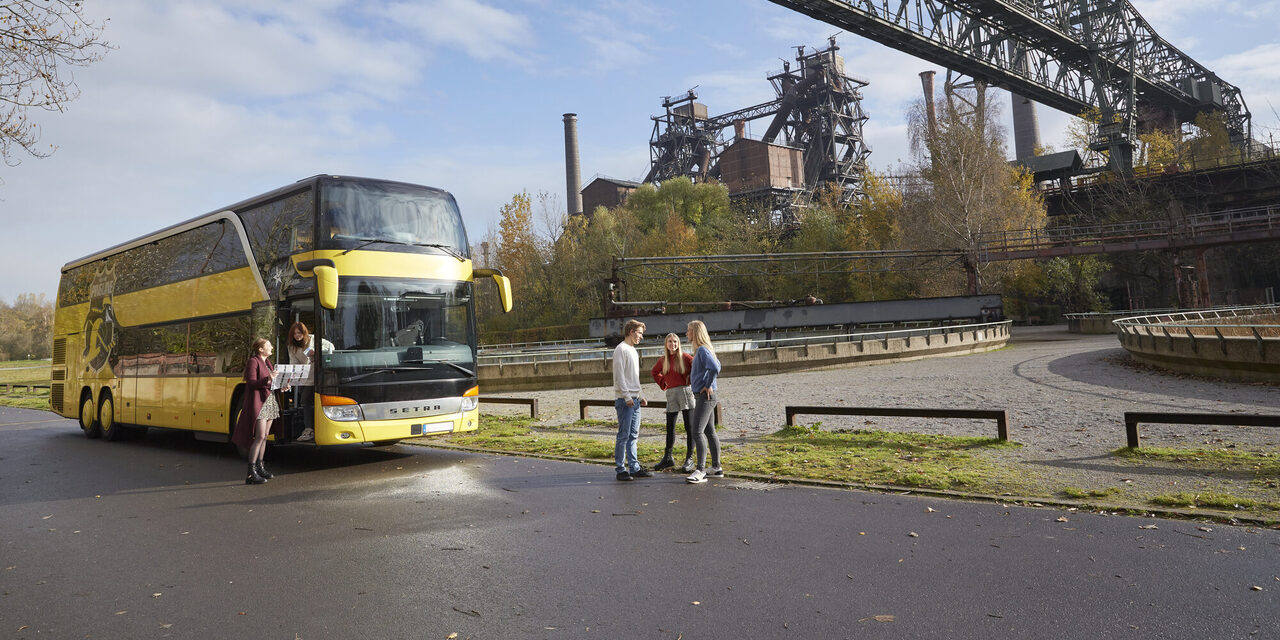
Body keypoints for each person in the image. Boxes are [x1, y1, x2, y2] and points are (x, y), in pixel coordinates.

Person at [232, 338, 287, 484]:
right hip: (259, 403)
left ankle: (260, 467)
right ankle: (251, 473)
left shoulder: (268, 363)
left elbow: (270, 384)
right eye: (268, 346)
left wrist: (281, 387)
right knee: (260, 436)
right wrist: (268, 379)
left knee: (265, 436)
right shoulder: (253, 361)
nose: (272, 347)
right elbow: (251, 383)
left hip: (270, 402)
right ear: (261, 349)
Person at [612, 319, 653, 482]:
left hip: (635, 400)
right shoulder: (620, 349)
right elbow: (619, 376)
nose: (641, 337)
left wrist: (641, 395)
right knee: (623, 435)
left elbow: (634, 378)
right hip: (625, 400)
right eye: (640, 333)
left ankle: (634, 467)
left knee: (633, 435)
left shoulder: (633, 350)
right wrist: (627, 397)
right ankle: (621, 469)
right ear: (631, 332)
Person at [684, 320, 723, 484]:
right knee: (709, 431)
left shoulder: (701, 350)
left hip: (705, 397)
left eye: (689, 330)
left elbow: (715, 367)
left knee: (697, 432)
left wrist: (707, 384)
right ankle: (716, 467)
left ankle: (700, 470)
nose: (686, 333)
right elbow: (717, 365)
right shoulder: (705, 349)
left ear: (696, 332)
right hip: (706, 396)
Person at [650, 332, 695, 472]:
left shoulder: (686, 357)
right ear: (666, 344)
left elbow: (697, 368)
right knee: (670, 427)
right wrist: (664, 383)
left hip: (685, 392)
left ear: (678, 343)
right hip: (671, 394)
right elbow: (654, 372)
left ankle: (690, 458)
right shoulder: (663, 360)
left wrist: (692, 381)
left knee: (689, 427)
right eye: (670, 341)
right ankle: (668, 458)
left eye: (675, 341)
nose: (672, 344)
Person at [287, 321, 333, 442]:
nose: (297, 335)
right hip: (303, 377)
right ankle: (311, 428)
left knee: (305, 400)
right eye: (295, 333)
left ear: (304, 332)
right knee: (307, 401)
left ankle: (309, 429)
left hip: (317, 376)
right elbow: (293, 363)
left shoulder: (313, 339)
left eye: (299, 332)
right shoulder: (292, 347)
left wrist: (316, 351)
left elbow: (331, 347)